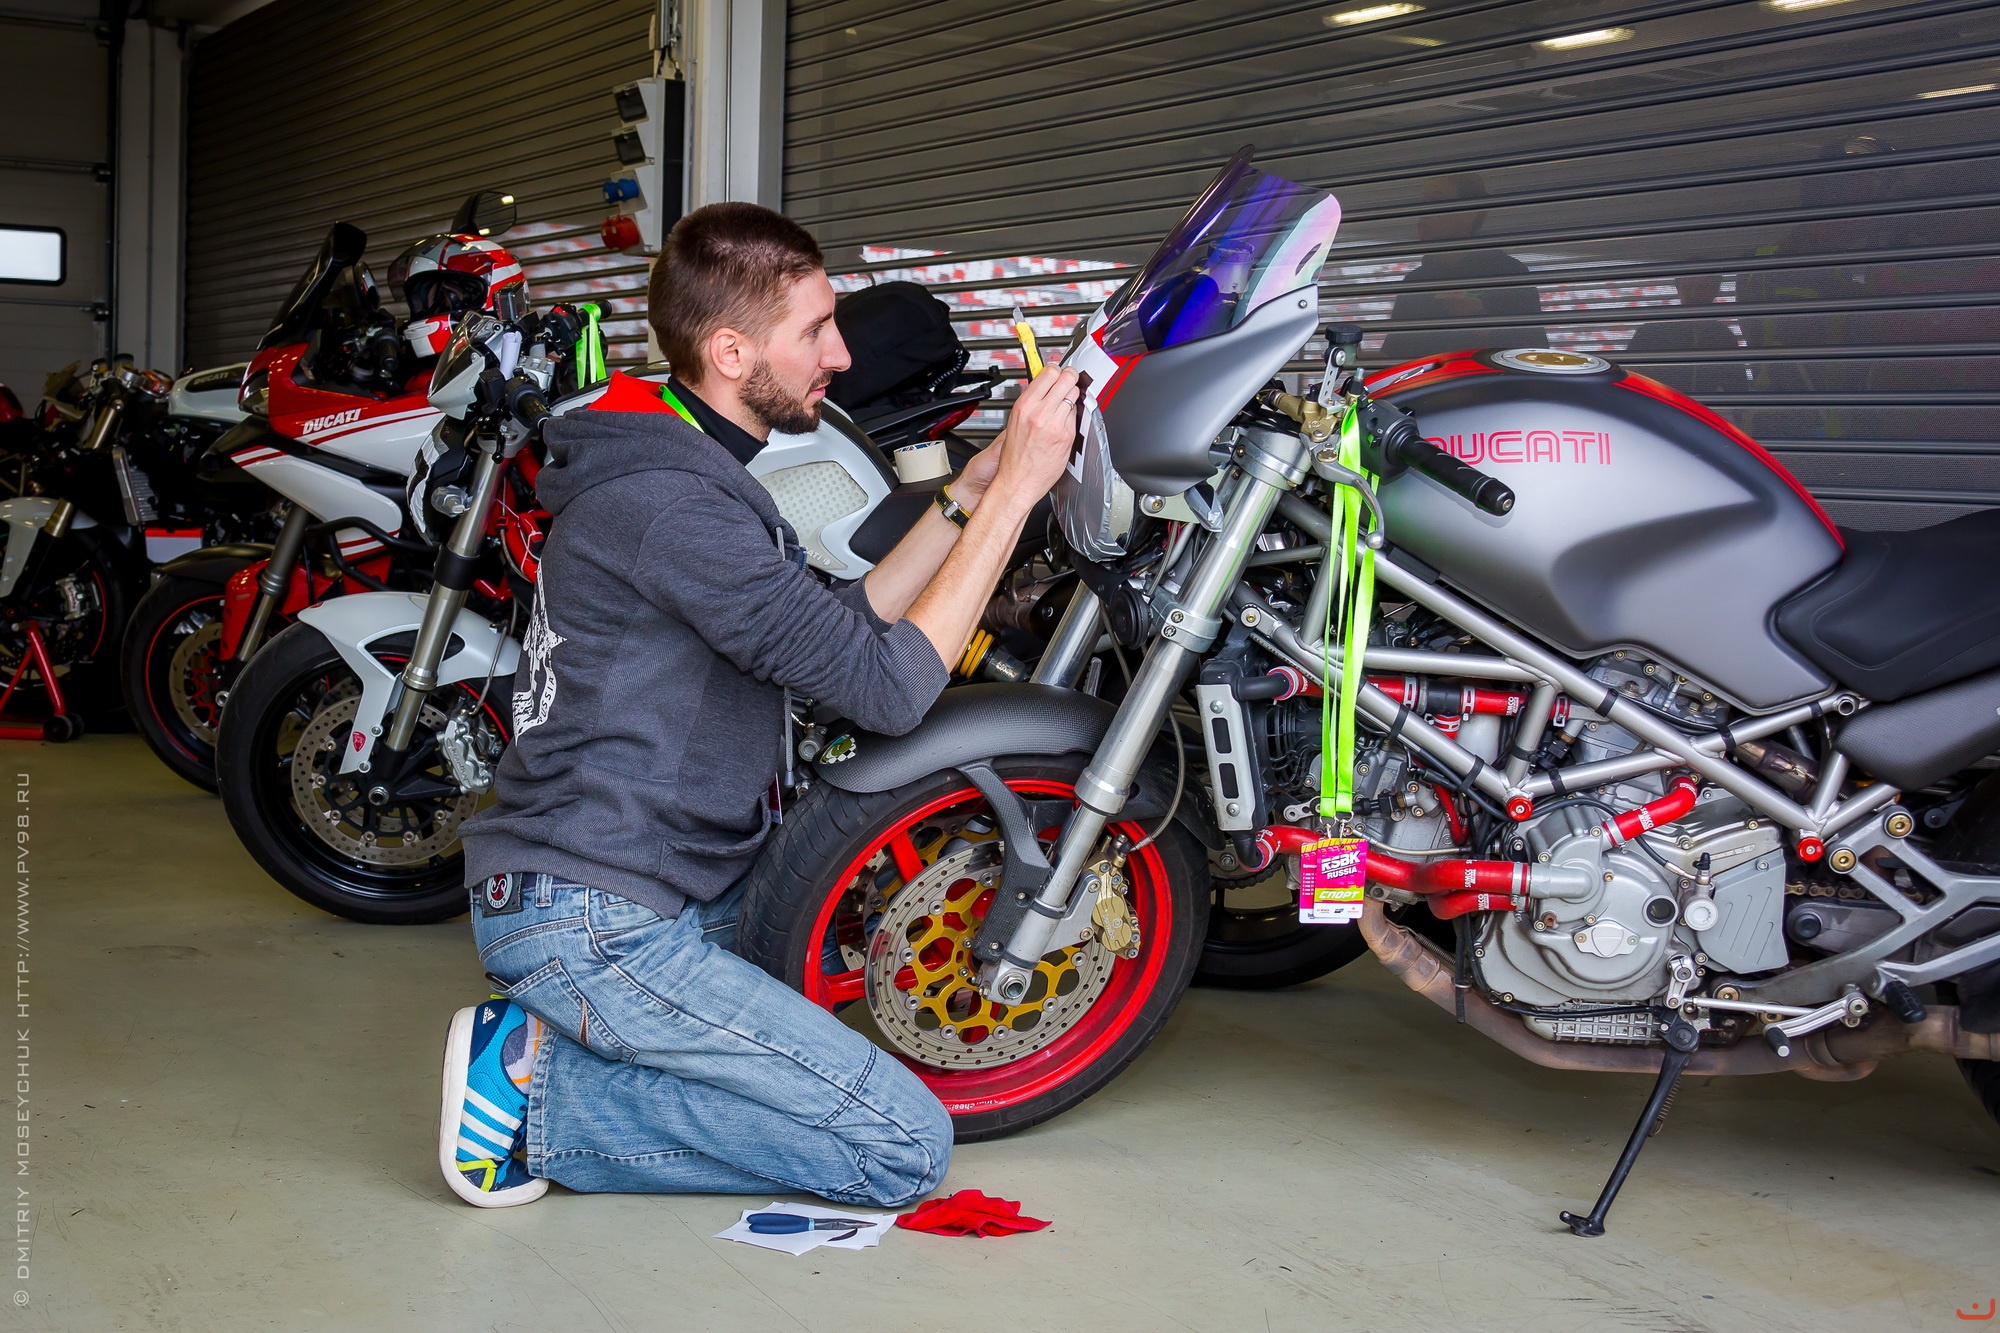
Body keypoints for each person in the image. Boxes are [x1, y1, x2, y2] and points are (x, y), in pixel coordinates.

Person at [436, 203, 1083, 1209]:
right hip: (599, 915)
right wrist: (1016, 500)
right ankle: (538, 1097)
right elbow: (886, 688)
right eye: (815, 331)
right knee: (899, 1147)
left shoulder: (680, 463)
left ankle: (576, 1042)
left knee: (831, 938)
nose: (840, 355)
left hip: (648, 886)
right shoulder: (674, 503)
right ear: (732, 353)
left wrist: (966, 494)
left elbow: (835, 632)